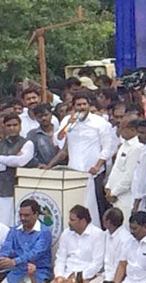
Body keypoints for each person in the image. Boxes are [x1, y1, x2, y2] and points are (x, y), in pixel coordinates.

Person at [54, 93, 113, 226]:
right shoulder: (68, 120)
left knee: (95, 207)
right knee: (75, 204)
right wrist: (67, 125)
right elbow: (58, 140)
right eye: (78, 105)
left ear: (88, 105)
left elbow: (107, 148)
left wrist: (97, 166)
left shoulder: (99, 122)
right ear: (73, 106)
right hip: (73, 172)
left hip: (94, 172)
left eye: (84, 104)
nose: (81, 107)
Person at [0, 114, 34, 227]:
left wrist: (0, 158)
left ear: (20, 126)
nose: (12, 128)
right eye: (9, 125)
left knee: (20, 225)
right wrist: (11, 161)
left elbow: (21, 162)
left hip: (21, 190)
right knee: (1, 225)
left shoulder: (27, 143)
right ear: (3, 126)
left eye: (15, 125)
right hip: (1, 191)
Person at [0, 199, 52, 283]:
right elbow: (6, 246)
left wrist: (14, 261)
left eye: (26, 215)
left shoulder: (44, 232)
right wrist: (2, 258)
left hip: (38, 273)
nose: (22, 218)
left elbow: (35, 253)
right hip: (16, 273)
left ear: (36, 214)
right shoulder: (14, 230)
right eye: (20, 215)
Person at [54, 205, 105, 282]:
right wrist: (59, 276)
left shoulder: (97, 234)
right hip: (67, 274)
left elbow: (97, 263)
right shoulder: (66, 233)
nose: (69, 222)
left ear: (83, 221)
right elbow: (61, 258)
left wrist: (77, 279)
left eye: (72, 220)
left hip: (87, 276)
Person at [105, 118, 143, 224]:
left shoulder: (136, 148)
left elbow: (129, 176)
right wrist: (108, 187)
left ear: (133, 130)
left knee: (125, 226)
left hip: (125, 196)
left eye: (123, 128)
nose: (120, 131)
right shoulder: (123, 145)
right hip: (113, 196)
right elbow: (116, 169)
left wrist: (114, 192)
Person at [113, 211, 146, 283]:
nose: (132, 232)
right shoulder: (129, 241)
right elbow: (122, 264)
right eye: (130, 228)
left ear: (145, 227)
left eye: (135, 229)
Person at [102, 208, 133, 283]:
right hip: (104, 275)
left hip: (115, 279)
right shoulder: (105, 234)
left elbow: (120, 266)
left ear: (108, 222)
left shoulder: (125, 239)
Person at [25, 104, 59, 168]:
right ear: (35, 118)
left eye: (46, 115)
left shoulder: (60, 131)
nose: (43, 118)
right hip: (42, 169)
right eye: (40, 116)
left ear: (51, 115)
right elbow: (29, 154)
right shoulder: (33, 134)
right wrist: (37, 164)